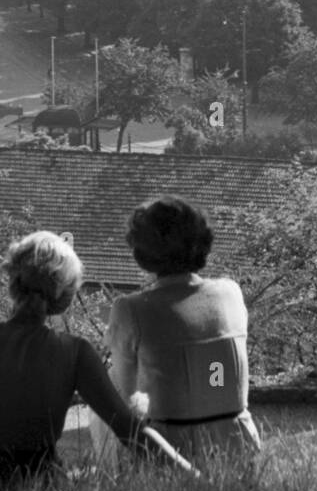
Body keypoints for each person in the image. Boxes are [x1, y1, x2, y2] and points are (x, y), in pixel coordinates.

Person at [0, 230, 195, 490]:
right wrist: (196, 477)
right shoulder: (74, 351)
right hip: (36, 488)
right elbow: (129, 431)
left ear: (12, 281)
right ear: (65, 297)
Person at [103, 197, 261, 462]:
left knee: (109, 381)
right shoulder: (230, 292)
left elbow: (128, 395)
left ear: (141, 251)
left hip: (168, 451)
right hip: (238, 443)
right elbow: (216, 371)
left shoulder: (131, 308)